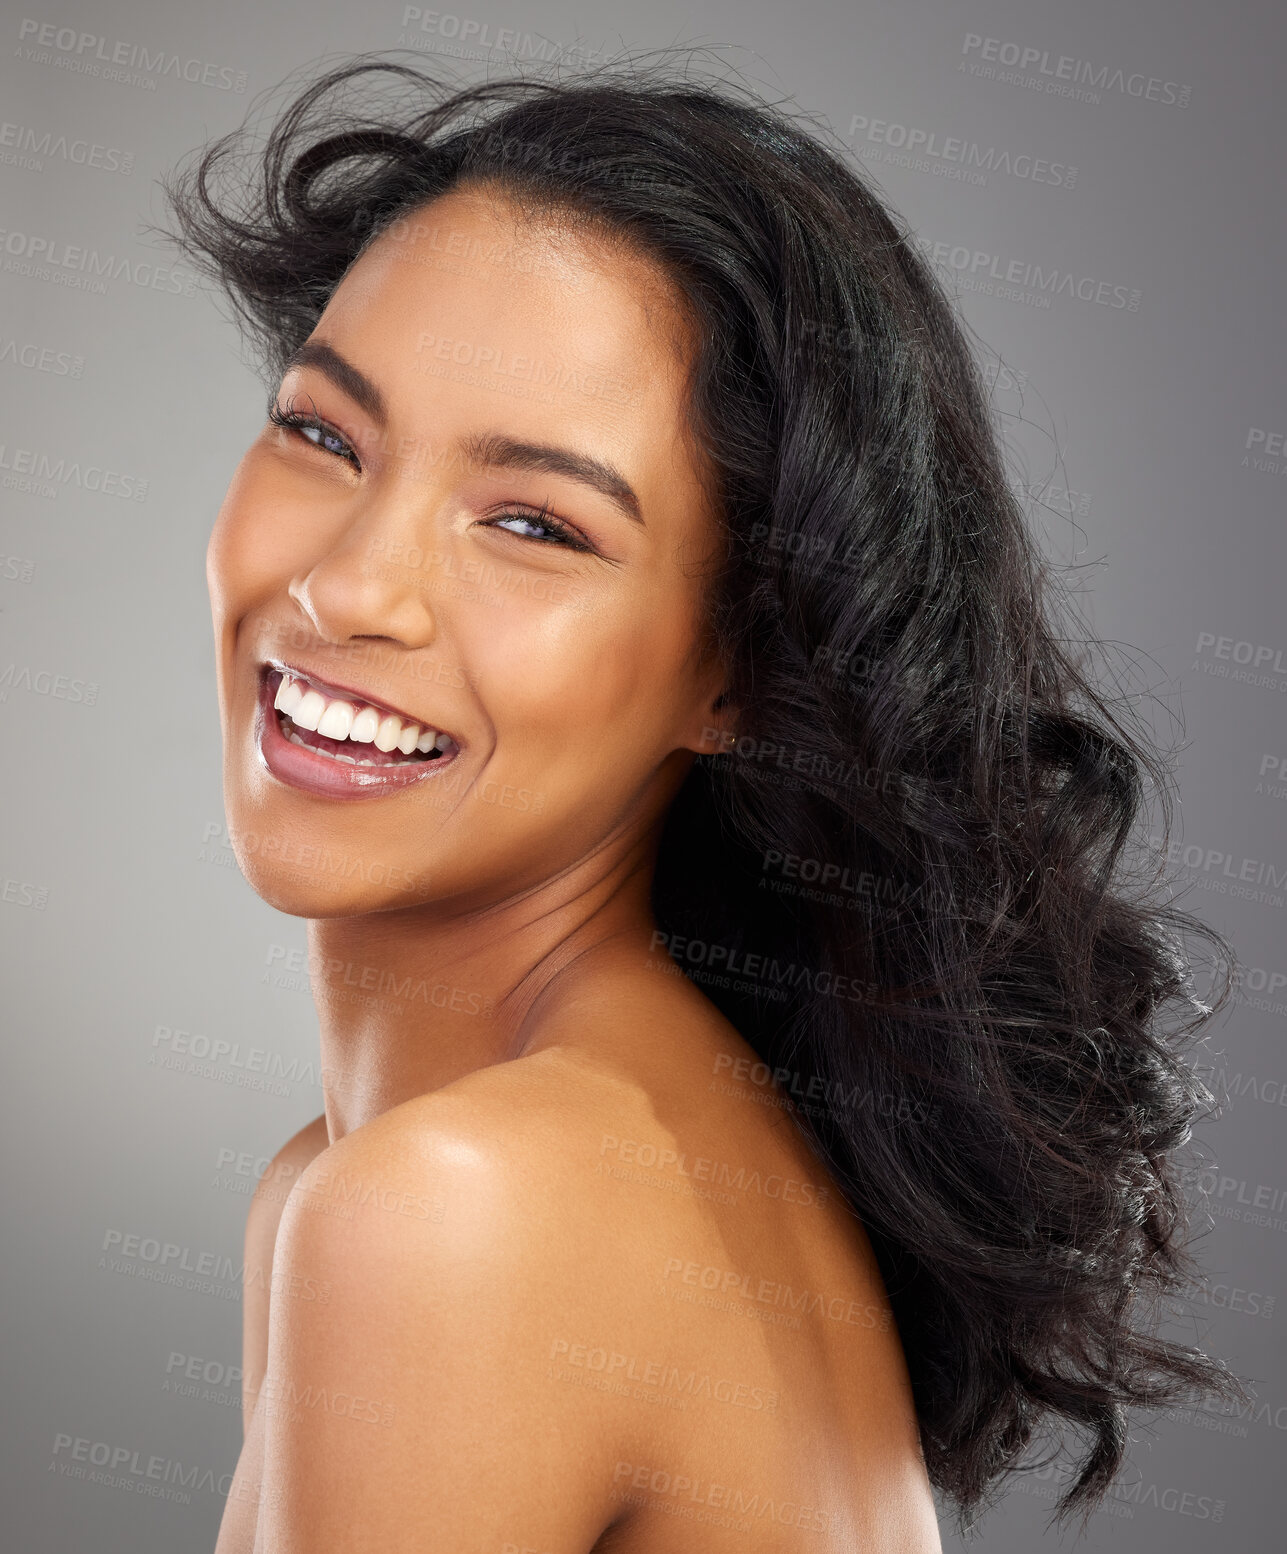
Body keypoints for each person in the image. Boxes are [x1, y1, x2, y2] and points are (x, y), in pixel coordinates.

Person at [158, 50, 1242, 1553]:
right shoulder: (394, 1176)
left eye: (536, 523)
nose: (345, 585)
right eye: (325, 433)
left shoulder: (457, 1212)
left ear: (735, 675)